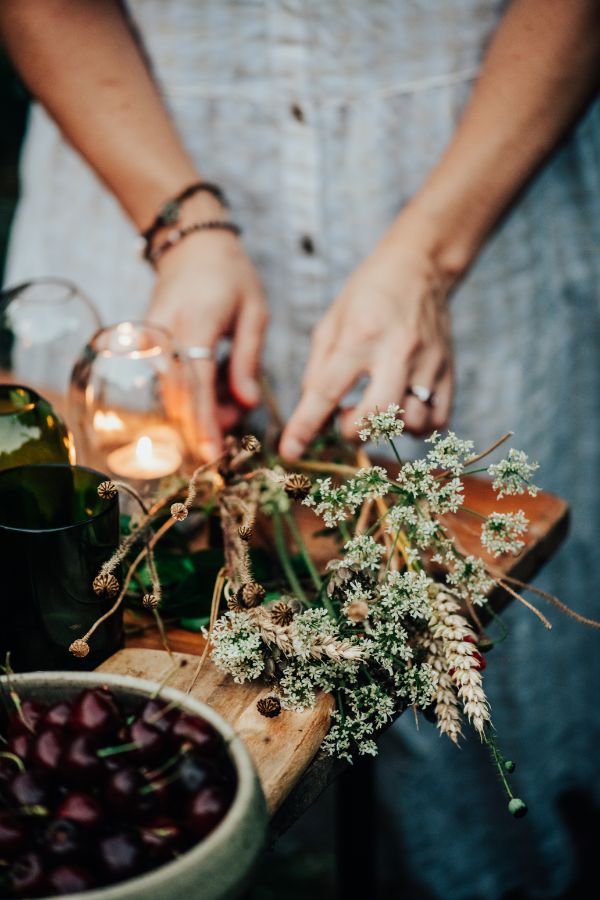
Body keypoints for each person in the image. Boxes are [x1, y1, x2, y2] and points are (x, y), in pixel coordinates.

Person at [1, 2, 599, 896]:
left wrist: (431, 260)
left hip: (478, 193)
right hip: (136, 194)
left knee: (487, 756)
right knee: (142, 712)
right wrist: (181, 227)